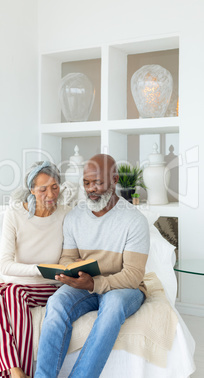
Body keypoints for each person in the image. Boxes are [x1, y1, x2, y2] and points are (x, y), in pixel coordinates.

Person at [35, 154, 150, 378]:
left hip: (124, 288)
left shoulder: (134, 221)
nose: (91, 189)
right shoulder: (75, 216)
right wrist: (70, 270)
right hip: (86, 283)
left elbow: (134, 275)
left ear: (114, 179)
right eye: (87, 183)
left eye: (97, 182)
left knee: (114, 304)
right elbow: (67, 257)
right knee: (57, 301)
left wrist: (95, 283)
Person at [0, 161, 70, 378]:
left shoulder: (66, 214)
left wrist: (56, 270)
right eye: (42, 188)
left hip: (49, 286)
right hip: (17, 282)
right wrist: (41, 268)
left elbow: (68, 259)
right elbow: (6, 264)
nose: (51, 194)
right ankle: (15, 371)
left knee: (13, 292)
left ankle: (19, 372)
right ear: (31, 190)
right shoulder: (15, 214)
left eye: (55, 187)